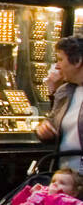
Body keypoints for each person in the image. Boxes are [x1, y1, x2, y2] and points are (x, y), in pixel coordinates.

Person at [36, 34, 83, 171]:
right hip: (65, 173)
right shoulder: (64, 91)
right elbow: (52, 123)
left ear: (78, 61)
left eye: (60, 59)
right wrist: (44, 130)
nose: (57, 65)